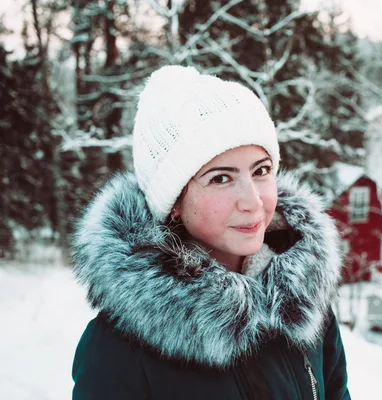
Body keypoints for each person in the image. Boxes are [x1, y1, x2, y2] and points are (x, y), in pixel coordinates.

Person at [71, 65, 350, 399]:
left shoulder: (302, 305)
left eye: (261, 171)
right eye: (221, 178)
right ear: (173, 201)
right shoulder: (119, 350)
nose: (253, 201)